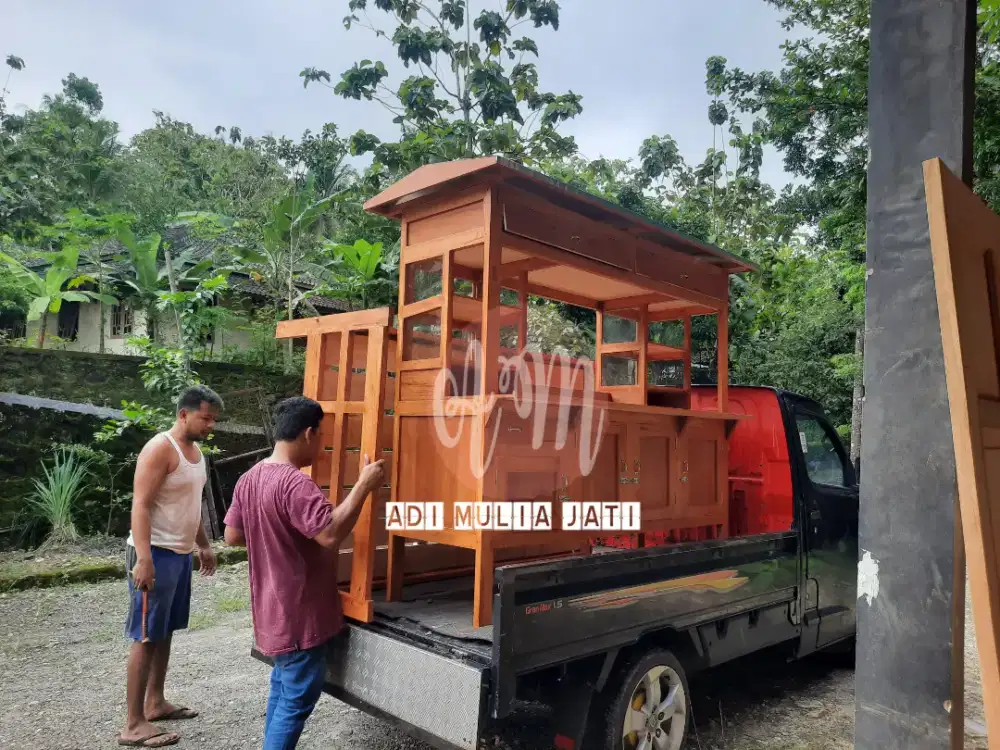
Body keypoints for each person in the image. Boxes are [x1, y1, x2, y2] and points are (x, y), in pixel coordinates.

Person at [223, 396, 386, 750]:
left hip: (272, 613)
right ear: (309, 433)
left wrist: (273, 533)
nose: (324, 445)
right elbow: (329, 534)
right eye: (323, 436)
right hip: (299, 617)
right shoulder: (295, 484)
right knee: (296, 702)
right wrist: (364, 485)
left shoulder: (250, 478)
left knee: (282, 692)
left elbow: (232, 535)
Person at [117, 385, 222, 748]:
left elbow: (191, 507)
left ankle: (156, 702)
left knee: (164, 631)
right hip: (154, 554)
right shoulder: (161, 448)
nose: (210, 425)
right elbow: (141, 505)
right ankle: (133, 724)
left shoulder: (197, 455)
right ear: (184, 414)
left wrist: (204, 546)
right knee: (145, 635)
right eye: (205, 417)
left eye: (213, 420)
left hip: (178, 555)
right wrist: (144, 558)